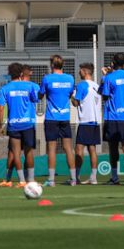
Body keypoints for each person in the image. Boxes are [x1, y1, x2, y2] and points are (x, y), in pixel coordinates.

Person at [40, 55, 76, 186]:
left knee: (52, 149)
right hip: (65, 117)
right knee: (68, 148)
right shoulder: (70, 78)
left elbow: (40, 94)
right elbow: (71, 93)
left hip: (51, 118)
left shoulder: (47, 79)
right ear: (63, 65)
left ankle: (51, 179)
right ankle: (73, 179)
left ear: (52, 65)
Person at [100, 53, 124, 185]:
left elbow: (104, 96)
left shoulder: (109, 77)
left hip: (113, 117)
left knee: (113, 147)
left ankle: (115, 177)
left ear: (113, 62)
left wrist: (104, 77)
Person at [72, 63, 102, 185]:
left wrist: (71, 95)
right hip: (95, 121)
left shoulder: (82, 85)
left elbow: (76, 103)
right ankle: (93, 177)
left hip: (85, 121)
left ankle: (76, 177)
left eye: (80, 71)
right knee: (92, 149)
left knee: (79, 149)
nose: (79, 73)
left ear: (85, 71)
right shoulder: (97, 86)